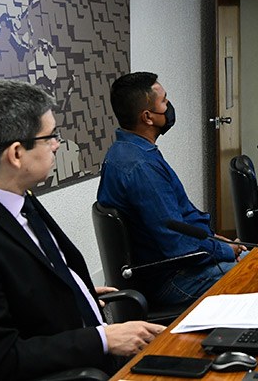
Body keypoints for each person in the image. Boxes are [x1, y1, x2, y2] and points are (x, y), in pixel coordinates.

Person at [0, 80, 164, 381]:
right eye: (49, 136)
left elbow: (27, 281)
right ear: (16, 154)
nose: (56, 144)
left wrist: (77, 292)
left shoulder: (15, 196)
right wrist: (104, 339)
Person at [97, 72, 246, 307]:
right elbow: (177, 246)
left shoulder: (127, 151)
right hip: (172, 280)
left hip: (169, 268)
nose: (169, 106)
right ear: (147, 117)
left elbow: (176, 222)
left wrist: (215, 240)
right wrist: (226, 250)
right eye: (164, 101)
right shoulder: (141, 167)